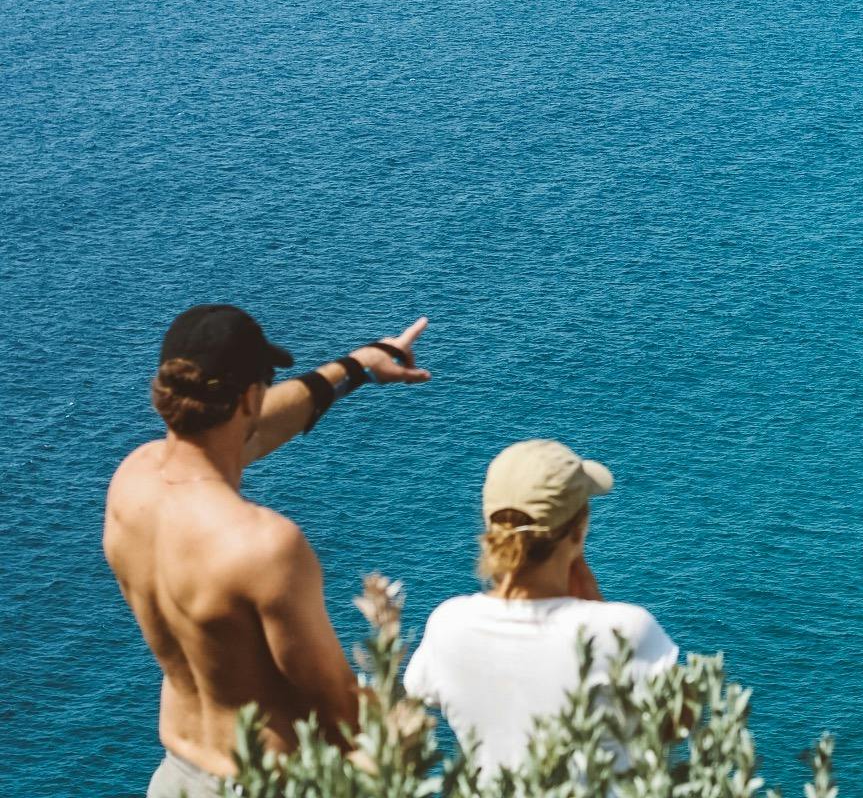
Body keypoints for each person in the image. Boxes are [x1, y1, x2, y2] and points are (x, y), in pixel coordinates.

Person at [103, 304, 433, 798]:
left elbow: (254, 431)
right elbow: (339, 707)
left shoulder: (131, 483)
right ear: (250, 397)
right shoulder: (263, 547)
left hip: (175, 776)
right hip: (262, 784)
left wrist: (359, 365)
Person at [403, 439, 679, 775]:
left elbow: (418, 693)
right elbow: (679, 725)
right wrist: (596, 604)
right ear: (578, 531)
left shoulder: (449, 624)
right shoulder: (625, 631)